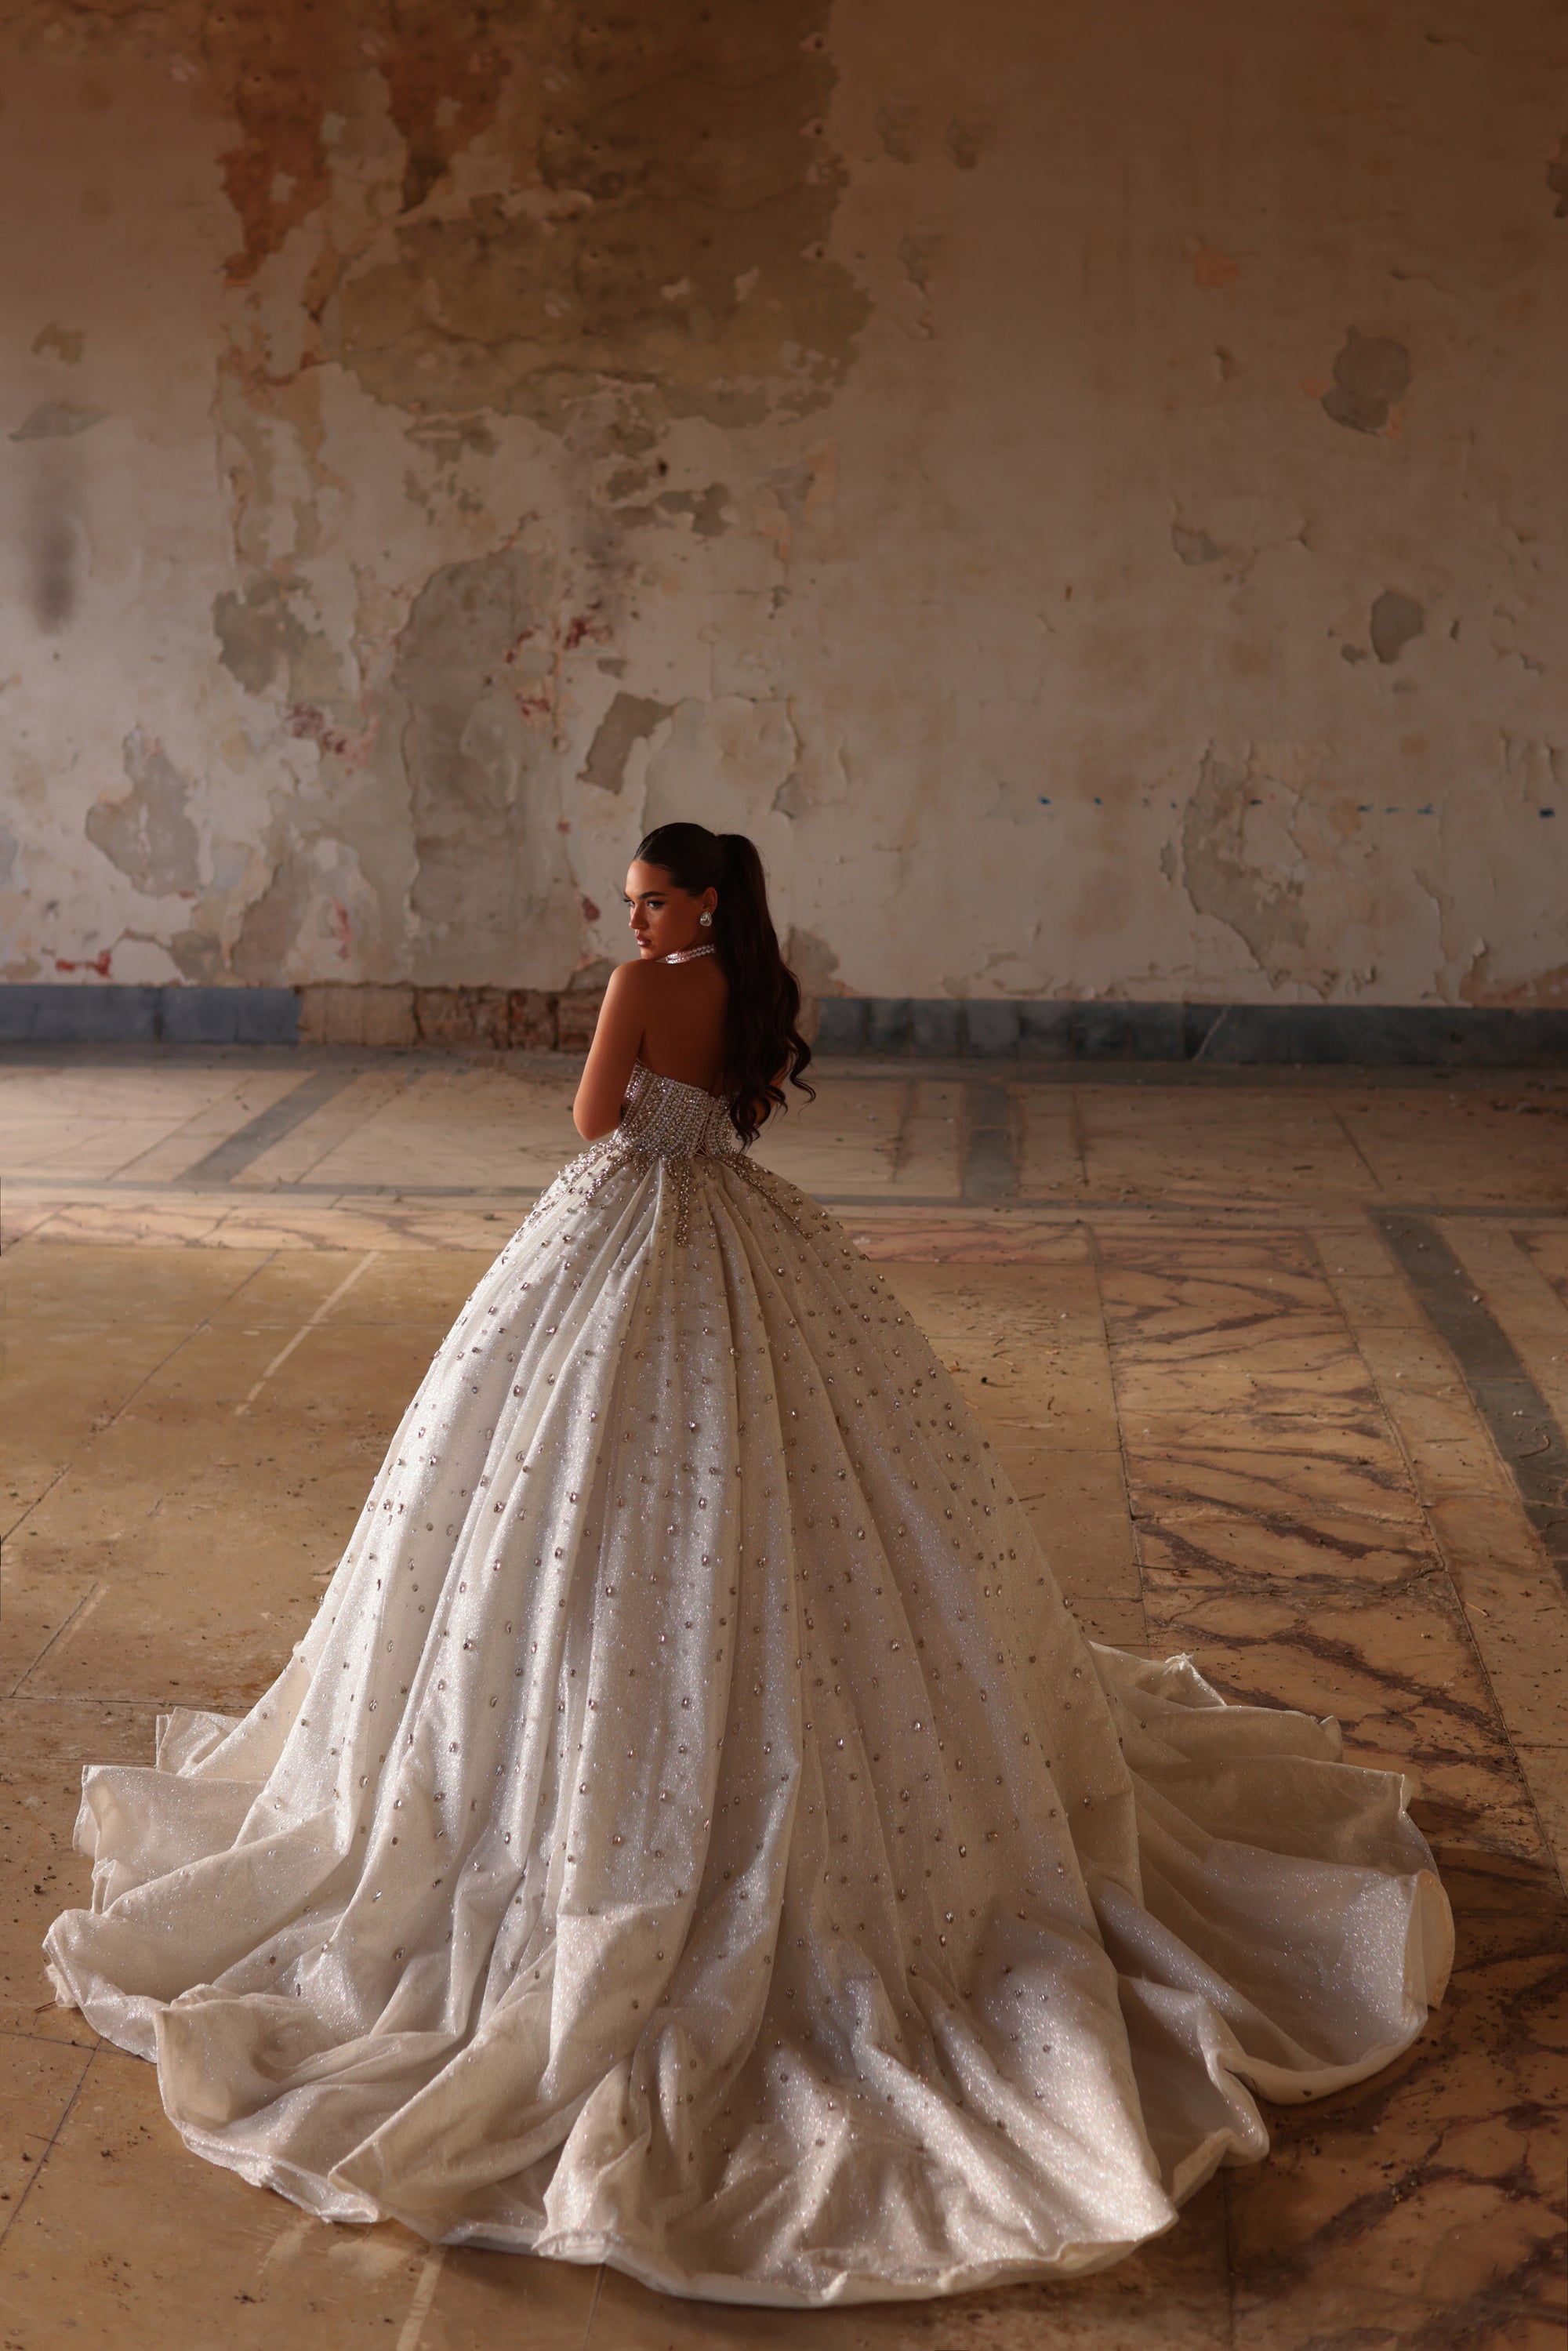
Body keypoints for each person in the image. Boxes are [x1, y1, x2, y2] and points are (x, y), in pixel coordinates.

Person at [45, 823, 1452, 2307]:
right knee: (774, 1496)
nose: (632, 914)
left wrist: (629, 1046)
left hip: (625, 1236)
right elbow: (731, 1115)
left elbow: (599, 1122)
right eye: (633, 901)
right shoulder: (761, 984)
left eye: (653, 897)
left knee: (583, 1497)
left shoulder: (638, 985)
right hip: (736, 1232)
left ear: (698, 900)